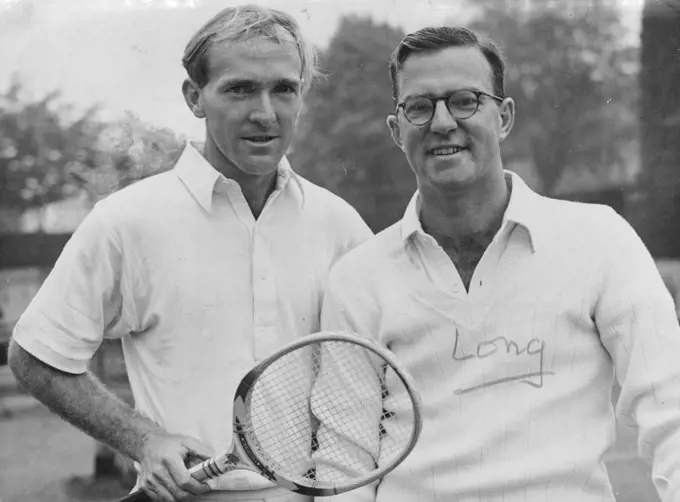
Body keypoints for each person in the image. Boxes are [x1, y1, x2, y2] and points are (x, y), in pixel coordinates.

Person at [8, 5, 372, 502]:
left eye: (284, 89)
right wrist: (145, 440)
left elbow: (368, 384)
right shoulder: (126, 221)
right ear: (194, 97)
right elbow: (35, 357)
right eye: (240, 88)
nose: (265, 112)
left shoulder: (341, 225)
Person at [317, 25, 680, 502]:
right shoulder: (357, 279)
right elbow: (343, 469)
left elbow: (669, 406)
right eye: (420, 107)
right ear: (396, 128)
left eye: (465, 100)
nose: (442, 122)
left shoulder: (600, 239)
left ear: (504, 116)